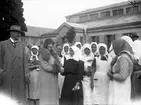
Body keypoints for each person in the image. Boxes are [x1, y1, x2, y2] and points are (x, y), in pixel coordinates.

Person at [0, 25, 27, 104]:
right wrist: (1, 75)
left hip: (19, 76)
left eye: (19, 32)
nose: (18, 34)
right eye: (16, 32)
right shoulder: (2, 44)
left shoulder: (22, 45)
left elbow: (24, 61)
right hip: (7, 76)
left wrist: (26, 74)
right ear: (11, 33)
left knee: (18, 99)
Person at [107, 39, 134, 105]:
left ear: (118, 47)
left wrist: (111, 75)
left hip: (120, 87)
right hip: (119, 86)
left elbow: (123, 76)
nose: (113, 50)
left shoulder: (123, 58)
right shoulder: (121, 57)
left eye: (114, 47)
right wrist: (112, 64)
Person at [38, 38, 61, 105]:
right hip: (46, 78)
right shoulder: (42, 54)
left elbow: (58, 62)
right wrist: (55, 69)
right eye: (49, 44)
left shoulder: (53, 54)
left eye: (52, 44)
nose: (51, 45)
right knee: (46, 95)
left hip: (53, 78)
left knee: (53, 94)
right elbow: (45, 66)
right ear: (46, 44)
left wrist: (59, 65)